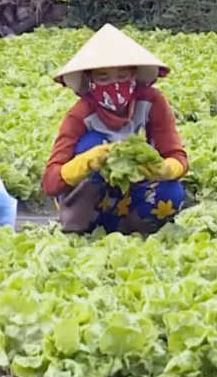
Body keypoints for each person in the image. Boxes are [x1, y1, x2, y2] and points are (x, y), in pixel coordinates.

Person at [41, 24, 188, 234]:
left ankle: (131, 229)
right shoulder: (80, 115)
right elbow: (50, 183)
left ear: (134, 76)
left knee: (172, 192)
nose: (115, 85)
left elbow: (177, 156)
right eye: (103, 78)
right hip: (91, 203)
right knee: (92, 143)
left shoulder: (152, 102)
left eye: (122, 76)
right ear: (90, 81)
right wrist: (86, 162)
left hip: (132, 195)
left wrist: (165, 169)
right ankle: (83, 225)